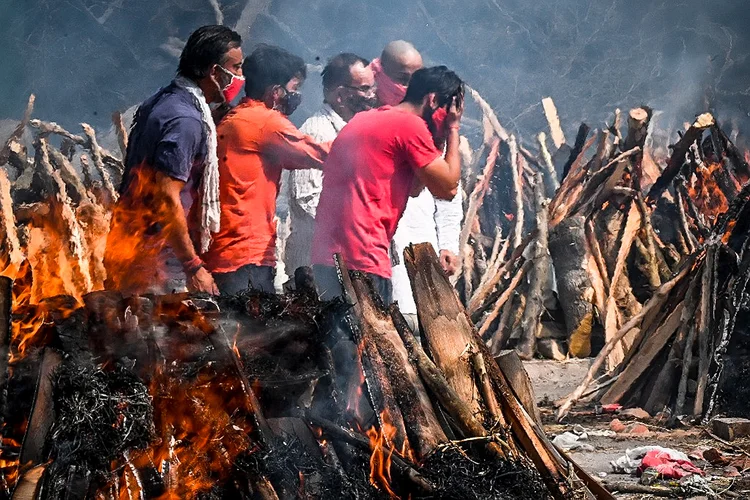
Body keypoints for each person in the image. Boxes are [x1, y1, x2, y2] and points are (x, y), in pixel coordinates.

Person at [104, 25, 244, 296]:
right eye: (236, 68)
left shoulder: (166, 100)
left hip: (131, 246)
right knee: (162, 336)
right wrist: (193, 266)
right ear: (214, 72)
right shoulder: (185, 120)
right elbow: (168, 198)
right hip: (156, 260)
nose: (240, 76)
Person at [311, 65, 464, 305]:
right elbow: (447, 188)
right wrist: (453, 129)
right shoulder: (409, 126)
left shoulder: (366, 118)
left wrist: (439, 137)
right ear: (433, 100)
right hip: (363, 258)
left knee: (335, 340)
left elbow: (415, 188)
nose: (452, 116)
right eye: (451, 110)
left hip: (328, 258)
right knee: (367, 342)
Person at [201, 44, 329, 295]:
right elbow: (322, 155)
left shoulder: (236, 117)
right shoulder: (266, 123)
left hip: (223, 252)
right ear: (275, 92)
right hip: (246, 256)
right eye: (294, 89)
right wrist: (367, 136)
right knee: (253, 331)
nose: (296, 96)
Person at [373, 41, 463, 331]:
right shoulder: (368, 122)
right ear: (379, 72)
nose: (408, 86)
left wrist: (448, 244)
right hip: (378, 254)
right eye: (401, 78)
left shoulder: (434, 133)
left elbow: (449, 196)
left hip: (424, 251)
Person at [284, 53, 376, 275]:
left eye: (373, 87)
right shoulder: (317, 131)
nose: (372, 95)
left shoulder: (360, 130)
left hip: (350, 262)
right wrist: (356, 226)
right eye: (364, 89)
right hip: (318, 268)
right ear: (340, 96)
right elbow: (307, 198)